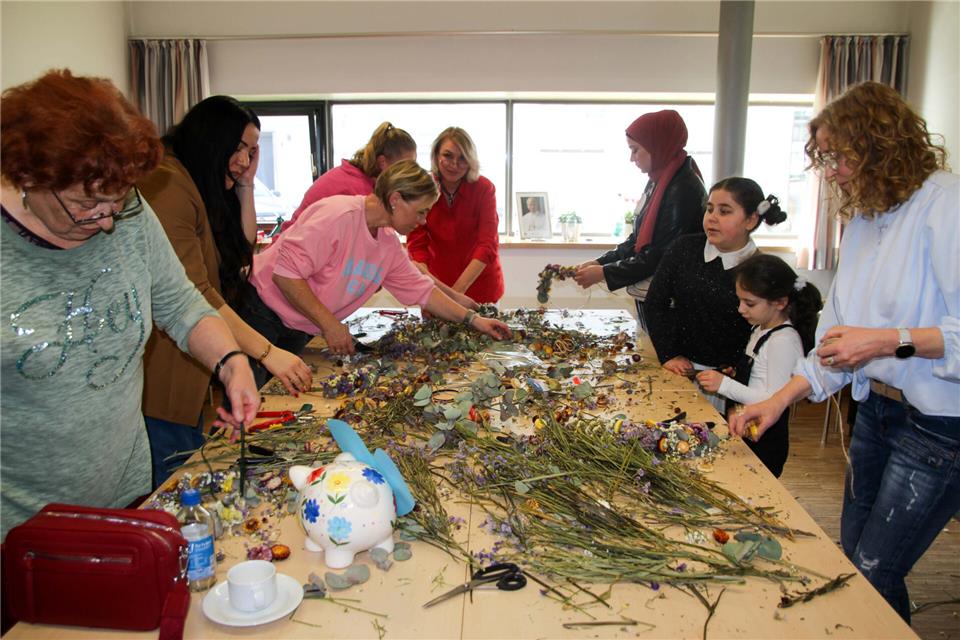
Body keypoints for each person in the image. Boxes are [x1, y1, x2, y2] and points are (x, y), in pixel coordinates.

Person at [729, 82, 959, 622]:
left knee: (877, 568)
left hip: (937, 423)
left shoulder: (945, 205)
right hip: (876, 412)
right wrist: (779, 399)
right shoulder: (866, 220)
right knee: (858, 560)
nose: (830, 171)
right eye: (824, 158)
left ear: (879, 142)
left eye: (837, 156)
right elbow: (834, 340)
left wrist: (884, 340)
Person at [0, 70, 259, 539]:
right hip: (22, 530)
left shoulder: (131, 215)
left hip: (127, 496)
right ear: (30, 175)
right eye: (88, 205)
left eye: (116, 203)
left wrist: (231, 361)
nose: (105, 222)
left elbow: (183, 304)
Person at [139, 96, 312, 487]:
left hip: (187, 368)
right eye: (239, 148)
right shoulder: (169, 185)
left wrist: (246, 185)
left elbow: (242, 247)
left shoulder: (199, 181)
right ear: (211, 138)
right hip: (164, 372)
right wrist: (267, 353)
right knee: (174, 480)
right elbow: (195, 292)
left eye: (252, 151)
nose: (245, 160)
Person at [242, 160, 512, 387]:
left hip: (298, 324)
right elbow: (285, 274)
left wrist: (474, 321)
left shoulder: (387, 243)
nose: (423, 221)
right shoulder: (338, 216)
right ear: (395, 199)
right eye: (421, 211)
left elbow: (423, 291)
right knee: (248, 406)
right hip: (260, 313)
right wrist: (330, 325)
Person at [645, 177, 787, 413]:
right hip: (680, 371)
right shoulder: (684, 249)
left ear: (751, 220)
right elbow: (655, 303)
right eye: (709, 209)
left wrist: (736, 371)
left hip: (732, 384)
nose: (712, 218)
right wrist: (669, 354)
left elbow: (768, 333)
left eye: (724, 211)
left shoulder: (760, 269)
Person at [574, 110, 706, 331]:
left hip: (675, 300)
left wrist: (605, 272)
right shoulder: (659, 179)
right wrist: (601, 262)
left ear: (657, 146)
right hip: (656, 293)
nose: (632, 158)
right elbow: (638, 239)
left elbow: (660, 255)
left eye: (635, 150)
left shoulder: (682, 188)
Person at [695, 254, 822, 476]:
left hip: (764, 441)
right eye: (740, 300)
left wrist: (725, 385)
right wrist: (735, 373)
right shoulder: (760, 328)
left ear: (780, 303)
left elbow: (774, 400)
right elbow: (759, 374)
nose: (740, 309)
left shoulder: (783, 341)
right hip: (746, 428)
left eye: (749, 303)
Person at [407, 127, 505, 304]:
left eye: (462, 158)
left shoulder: (484, 188)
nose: (454, 164)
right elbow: (417, 243)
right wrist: (427, 282)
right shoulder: (423, 187)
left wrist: (455, 293)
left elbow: (487, 244)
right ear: (437, 156)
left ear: (471, 161)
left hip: (481, 288)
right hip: (437, 287)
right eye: (448, 155)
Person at [279, 122, 417, 235]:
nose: (408, 172)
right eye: (405, 165)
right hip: (288, 254)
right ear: (382, 162)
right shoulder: (357, 192)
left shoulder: (355, 178)